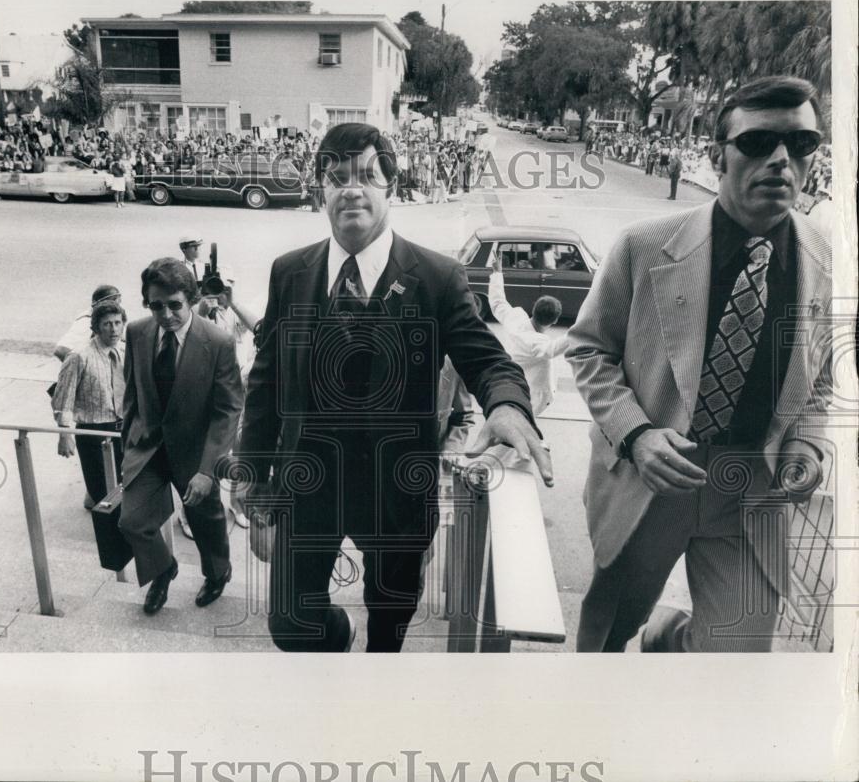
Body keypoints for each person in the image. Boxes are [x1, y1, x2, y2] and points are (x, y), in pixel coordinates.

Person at [236, 122, 552, 652]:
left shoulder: (436, 276)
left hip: (396, 491)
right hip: (307, 485)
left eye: (366, 174)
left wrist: (509, 407)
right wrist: (253, 470)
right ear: (322, 191)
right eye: (336, 177)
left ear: (393, 186)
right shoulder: (290, 272)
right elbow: (266, 381)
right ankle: (336, 639)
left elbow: (489, 361)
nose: (351, 188)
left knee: (390, 625)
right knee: (291, 623)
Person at [566, 76, 832, 652]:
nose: (782, 160)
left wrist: (806, 445)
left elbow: (823, 376)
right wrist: (636, 436)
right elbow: (589, 349)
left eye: (802, 144)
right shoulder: (643, 245)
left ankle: (671, 638)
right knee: (606, 637)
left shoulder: (831, 260)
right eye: (759, 143)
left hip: (752, 490)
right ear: (716, 156)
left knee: (736, 656)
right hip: (652, 482)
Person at [119, 258, 244, 615]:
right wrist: (127, 444)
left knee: (207, 525)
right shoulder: (137, 332)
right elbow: (132, 393)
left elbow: (229, 409)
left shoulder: (217, 342)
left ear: (190, 299)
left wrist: (208, 470)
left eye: (175, 305)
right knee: (132, 522)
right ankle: (162, 569)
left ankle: (218, 573)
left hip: (196, 455)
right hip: (148, 450)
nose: (166, 314)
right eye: (156, 305)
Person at [51, 300, 127, 507]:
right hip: (93, 432)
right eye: (107, 324)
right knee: (102, 493)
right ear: (95, 327)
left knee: (124, 488)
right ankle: (108, 535)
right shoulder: (79, 356)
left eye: (117, 323)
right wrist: (64, 434)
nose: (113, 329)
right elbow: (63, 397)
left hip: (123, 429)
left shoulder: (126, 351)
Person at [488, 254, 568, 416]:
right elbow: (553, 349)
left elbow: (498, 303)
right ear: (554, 321)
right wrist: (583, 328)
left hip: (509, 385)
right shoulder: (537, 342)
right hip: (529, 395)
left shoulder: (516, 318)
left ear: (534, 309)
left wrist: (497, 273)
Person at [53, 285, 122, 362]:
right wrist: (85, 368)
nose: (117, 308)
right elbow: (61, 350)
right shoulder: (87, 321)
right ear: (98, 303)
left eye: (118, 304)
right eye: (113, 304)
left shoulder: (106, 320)